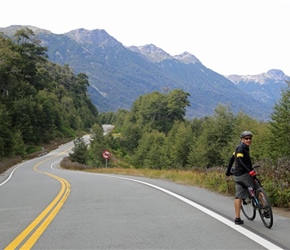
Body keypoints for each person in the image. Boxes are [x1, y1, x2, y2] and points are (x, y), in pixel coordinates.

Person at [225, 131, 256, 225]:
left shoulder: (239, 148)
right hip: (243, 174)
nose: (248, 140)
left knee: (238, 196)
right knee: (257, 187)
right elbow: (239, 160)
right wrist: (249, 171)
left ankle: (237, 218)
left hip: (237, 176)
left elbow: (232, 158)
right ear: (242, 139)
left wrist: (227, 171)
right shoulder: (242, 148)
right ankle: (264, 207)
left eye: (250, 138)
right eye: (246, 138)